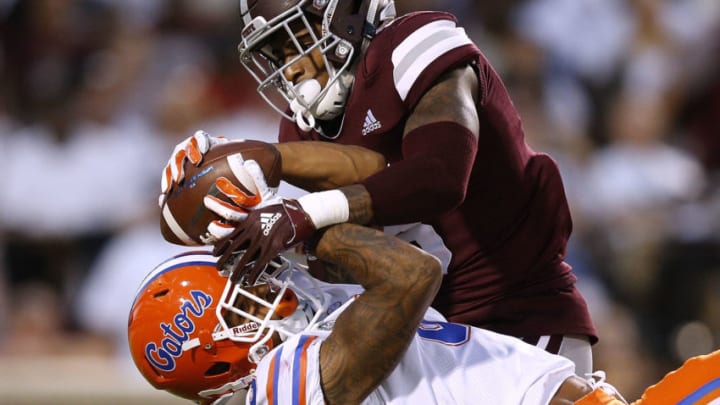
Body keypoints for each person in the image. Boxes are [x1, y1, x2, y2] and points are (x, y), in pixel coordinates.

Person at [159, 0, 597, 374]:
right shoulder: (300, 130)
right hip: (427, 341)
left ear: (343, 16)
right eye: (274, 53)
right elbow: (362, 242)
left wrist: (304, 215)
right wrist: (261, 233)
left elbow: (438, 175)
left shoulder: (416, 44)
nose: (288, 67)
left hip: (519, 323)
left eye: (295, 40)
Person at [128, 223, 625, 405]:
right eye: (250, 293)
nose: (274, 280)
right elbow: (412, 273)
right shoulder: (284, 381)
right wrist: (296, 222)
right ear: (217, 346)